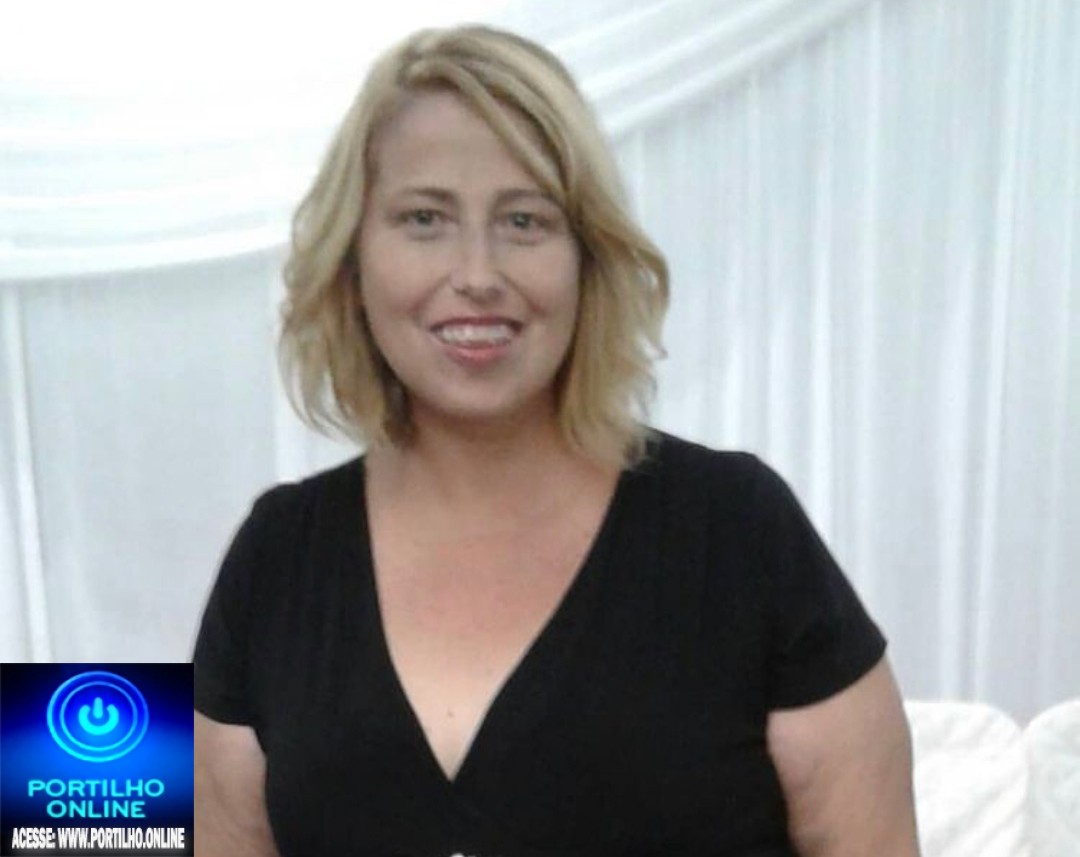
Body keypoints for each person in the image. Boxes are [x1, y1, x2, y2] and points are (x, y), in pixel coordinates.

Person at [192, 23, 920, 857]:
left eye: (525, 220)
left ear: (588, 258)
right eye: (424, 218)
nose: (477, 273)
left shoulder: (739, 527)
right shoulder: (274, 555)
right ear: (353, 263)